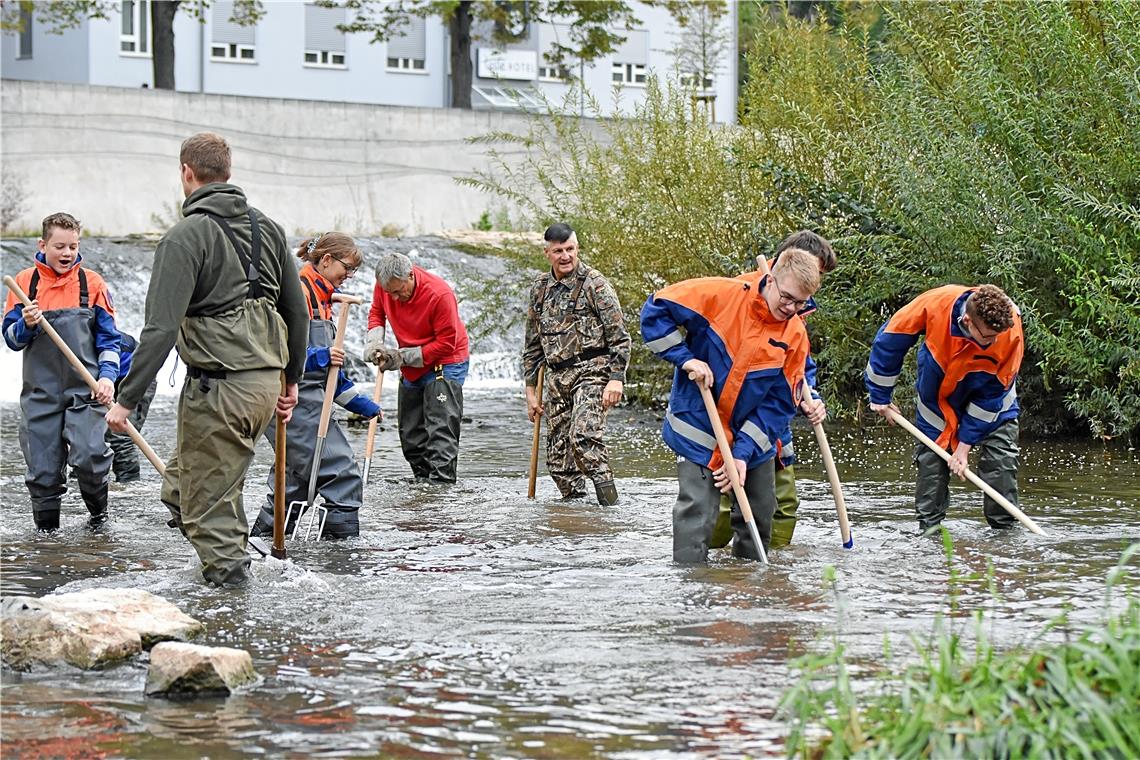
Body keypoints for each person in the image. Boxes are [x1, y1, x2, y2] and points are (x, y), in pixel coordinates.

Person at [106, 132, 309, 587]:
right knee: (182, 490)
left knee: (205, 509)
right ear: (229, 173)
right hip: (263, 385)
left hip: (219, 389)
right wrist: (290, 379)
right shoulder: (268, 228)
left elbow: (159, 329)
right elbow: (297, 311)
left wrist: (126, 399)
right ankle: (227, 558)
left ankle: (232, 608)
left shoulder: (184, 237)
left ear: (186, 173)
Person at [640, 247, 823, 563]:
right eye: (788, 298)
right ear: (771, 278)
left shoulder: (795, 336)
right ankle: (692, 590)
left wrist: (741, 455)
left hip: (750, 432)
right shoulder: (720, 295)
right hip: (700, 421)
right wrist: (686, 359)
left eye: (801, 303)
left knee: (762, 510)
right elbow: (655, 310)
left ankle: (749, 592)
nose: (791, 309)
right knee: (697, 511)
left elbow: (780, 405)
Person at [710, 230, 837, 549]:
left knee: (782, 503)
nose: (811, 286)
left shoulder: (801, 308)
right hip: (729, 417)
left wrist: (812, 398)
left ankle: (772, 573)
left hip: (773, 423)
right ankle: (709, 574)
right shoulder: (741, 293)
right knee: (720, 508)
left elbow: (801, 365)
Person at [250, 233, 381, 539]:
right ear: (325, 260)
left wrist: (362, 405)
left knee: (295, 483)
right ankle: (342, 560)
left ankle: (261, 544)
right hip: (286, 400)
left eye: (353, 272)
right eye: (346, 269)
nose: (348, 277)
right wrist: (319, 356)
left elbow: (332, 376)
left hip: (311, 403)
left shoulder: (326, 302)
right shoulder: (295, 293)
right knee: (343, 476)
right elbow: (272, 351)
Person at [865, 284, 1023, 533]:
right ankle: (930, 536)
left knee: (1000, 466)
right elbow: (890, 340)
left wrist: (963, 448)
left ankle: (1004, 538)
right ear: (967, 320)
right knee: (932, 467)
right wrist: (880, 396)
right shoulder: (936, 303)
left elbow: (995, 394)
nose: (993, 342)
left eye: (996, 337)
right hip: (937, 399)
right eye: (987, 337)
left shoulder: (1010, 330)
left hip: (993, 405)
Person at [3, 212, 121, 531]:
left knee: (90, 458)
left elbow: (110, 339)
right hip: (40, 395)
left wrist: (108, 377)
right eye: (59, 246)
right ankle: (47, 542)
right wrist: (25, 325)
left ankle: (99, 522)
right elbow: (11, 340)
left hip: (85, 392)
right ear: (43, 245)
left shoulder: (92, 283)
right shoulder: (25, 283)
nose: (67, 253)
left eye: (73, 246)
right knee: (42, 473)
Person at [521, 223, 632, 505]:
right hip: (557, 378)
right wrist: (531, 392)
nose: (565, 256)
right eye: (558, 251)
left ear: (577, 248)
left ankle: (611, 509)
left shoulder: (595, 284)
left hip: (592, 371)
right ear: (547, 253)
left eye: (570, 249)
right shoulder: (540, 288)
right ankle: (576, 516)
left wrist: (616, 378)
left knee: (583, 437)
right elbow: (533, 344)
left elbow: (619, 337)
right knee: (558, 461)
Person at [364, 251, 469, 483]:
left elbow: (445, 344)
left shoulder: (439, 294)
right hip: (412, 365)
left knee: (440, 433)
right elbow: (377, 312)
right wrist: (375, 343)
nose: (396, 298)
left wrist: (401, 357)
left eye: (400, 291)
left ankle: (441, 489)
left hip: (446, 362)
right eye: (390, 293)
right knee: (411, 436)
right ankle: (423, 486)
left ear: (411, 275)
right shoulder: (385, 285)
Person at [104, 331, 158, 483]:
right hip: (107, 380)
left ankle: (129, 484)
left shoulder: (106, 338)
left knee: (120, 435)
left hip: (138, 381)